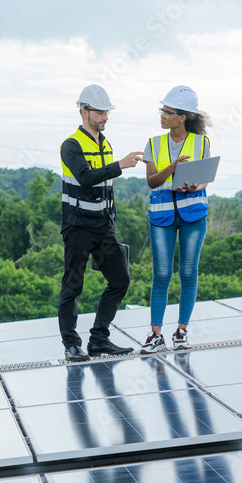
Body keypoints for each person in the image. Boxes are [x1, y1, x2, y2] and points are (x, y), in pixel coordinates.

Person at [59, 84, 144, 362]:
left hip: (104, 226)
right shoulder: (71, 145)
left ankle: (99, 339)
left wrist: (112, 224)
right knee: (73, 287)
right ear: (84, 112)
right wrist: (120, 165)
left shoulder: (105, 144)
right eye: (100, 112)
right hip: (78, 227)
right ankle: (72, 344)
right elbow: (85, 177)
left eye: (107, 112)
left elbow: (107, 188)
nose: (105, 117)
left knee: (120, 279)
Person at [141, 85, 212, 352]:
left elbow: (205, 179)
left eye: (167, 111)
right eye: (162, 110)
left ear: (182, 116)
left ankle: (181, 332)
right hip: (162, 216)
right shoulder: (153, 144)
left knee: (187, 272)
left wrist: (196, 186)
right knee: (161, 274)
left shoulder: (201, 142)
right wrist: (173, 169)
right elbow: (151, 181)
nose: (162, 115)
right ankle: (155, 335)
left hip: (193, 214)